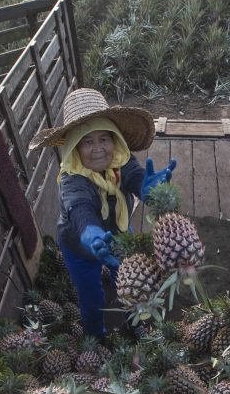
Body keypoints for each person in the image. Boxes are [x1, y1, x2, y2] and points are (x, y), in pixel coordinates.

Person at [30, 88, 176, 337]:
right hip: (80, 246)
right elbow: (79, 207)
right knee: (91, 298)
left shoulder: (121, 160)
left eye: (104, 139)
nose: (98, 148)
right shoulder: (72, 178)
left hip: (120, 236)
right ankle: (96, 335)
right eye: (87, 141)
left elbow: (134, 176)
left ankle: (133, 326)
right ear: (75, 147)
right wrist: (91, 234)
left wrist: (148, 189)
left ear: (115, 140)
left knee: (133, 287)